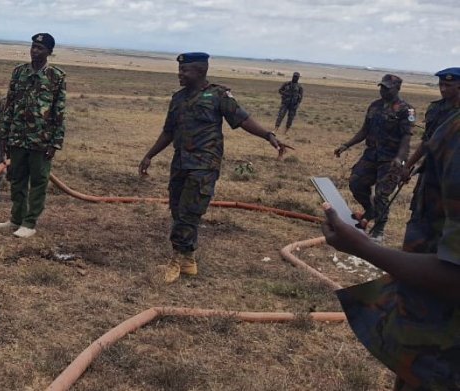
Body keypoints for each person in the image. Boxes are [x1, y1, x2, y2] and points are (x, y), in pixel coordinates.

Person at [321, 67, 460, 390]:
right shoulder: (443, 118)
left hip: (444, 347)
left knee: (381, 195)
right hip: (430, 331)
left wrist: (363, 247)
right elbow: (426, 144)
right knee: (359, 184)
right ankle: (370, 218)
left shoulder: (419, 115)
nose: (445, 89)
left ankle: (376, 224)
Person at [138, 52, 292, 283]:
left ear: (200, 72)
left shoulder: (218, 95)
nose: (180, 74)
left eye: (185, 70)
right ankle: (188, 261)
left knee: (189, 213)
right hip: (180, 162)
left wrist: (268, 136)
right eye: (179, 70)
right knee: (178, 209)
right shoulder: (178, 98)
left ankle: (175, 261)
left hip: (204, 165)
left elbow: (242, 120)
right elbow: (169, 131)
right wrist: (149, 155)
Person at [0, 33, 65, 238]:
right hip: (17, 136)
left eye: (40, 48)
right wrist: (4, 135)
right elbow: (10, 105)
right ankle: (15, 218)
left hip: (41, 140)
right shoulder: (19, 73)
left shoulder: (56, 76)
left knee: (38, 181)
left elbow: (59, 111)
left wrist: (55, 142)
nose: (35, 51)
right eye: (33, 46)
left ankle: (29, 222)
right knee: (16, 179)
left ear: (49, 52)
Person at [334, 74, 414, 243]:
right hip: (371, 155)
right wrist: (346, 145)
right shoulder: (374, 106)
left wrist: (400, 159)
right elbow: (364, 131)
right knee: (356, 183)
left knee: (381, 194)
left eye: (387, 88)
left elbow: (406, 139)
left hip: (391, 158)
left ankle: (379, 228)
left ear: (397, 89)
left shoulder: (405, 110)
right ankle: (369, 211)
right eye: (381, 87)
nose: (383, 91)